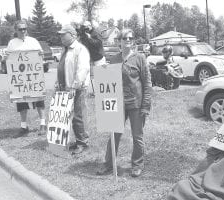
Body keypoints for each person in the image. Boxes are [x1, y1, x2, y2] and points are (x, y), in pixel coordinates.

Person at [96, 28, 152, 177]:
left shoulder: (140, 58)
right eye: (125, 38)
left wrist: (146, 106)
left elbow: (147, 83)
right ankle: (108, 164)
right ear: (119, 41)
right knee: (114, 135)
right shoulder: (114, 59)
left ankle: (137, 165)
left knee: (137, 136)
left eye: (130, 38)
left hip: (136, 104)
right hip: (117, 104)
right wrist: (102, 72)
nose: (128, 41)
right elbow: (108, 81)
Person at [5, 20, 46, 137]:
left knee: (39, 100)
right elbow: (9, 58)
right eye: (20, 29)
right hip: (20, 79)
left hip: (33, 78)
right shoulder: (12, 43)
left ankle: (43, 124)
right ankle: (24, 126)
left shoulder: (33, 41)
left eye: (25, 29)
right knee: (21, 102)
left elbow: (40, 55)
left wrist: (41, 55)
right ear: (16, 30)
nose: (23, 31)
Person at [56, 24, 91, 155]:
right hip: (65, 88)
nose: (61, 36)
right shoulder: (65, 50)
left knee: (79, 115)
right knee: (70, 116)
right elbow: (63, 68)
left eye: (63, 34)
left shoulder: (80, 49)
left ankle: (83, 143)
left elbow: (82, 69)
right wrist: (57, 82)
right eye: (60, 34)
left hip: (77, 89)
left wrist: (74, 86)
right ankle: (78, 140)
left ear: (72, 35)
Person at [78, 21, 105, 95]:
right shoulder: (83, 35)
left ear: (90, 26)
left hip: (99, 58)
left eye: (87, 27)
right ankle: (88, 91)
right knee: (87, 75)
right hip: (89, 58)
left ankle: (101, 92)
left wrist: (90, 38)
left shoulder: (95, 33)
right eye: (84, 27)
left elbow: (99, 44)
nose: (86, 28)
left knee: (100, 76)